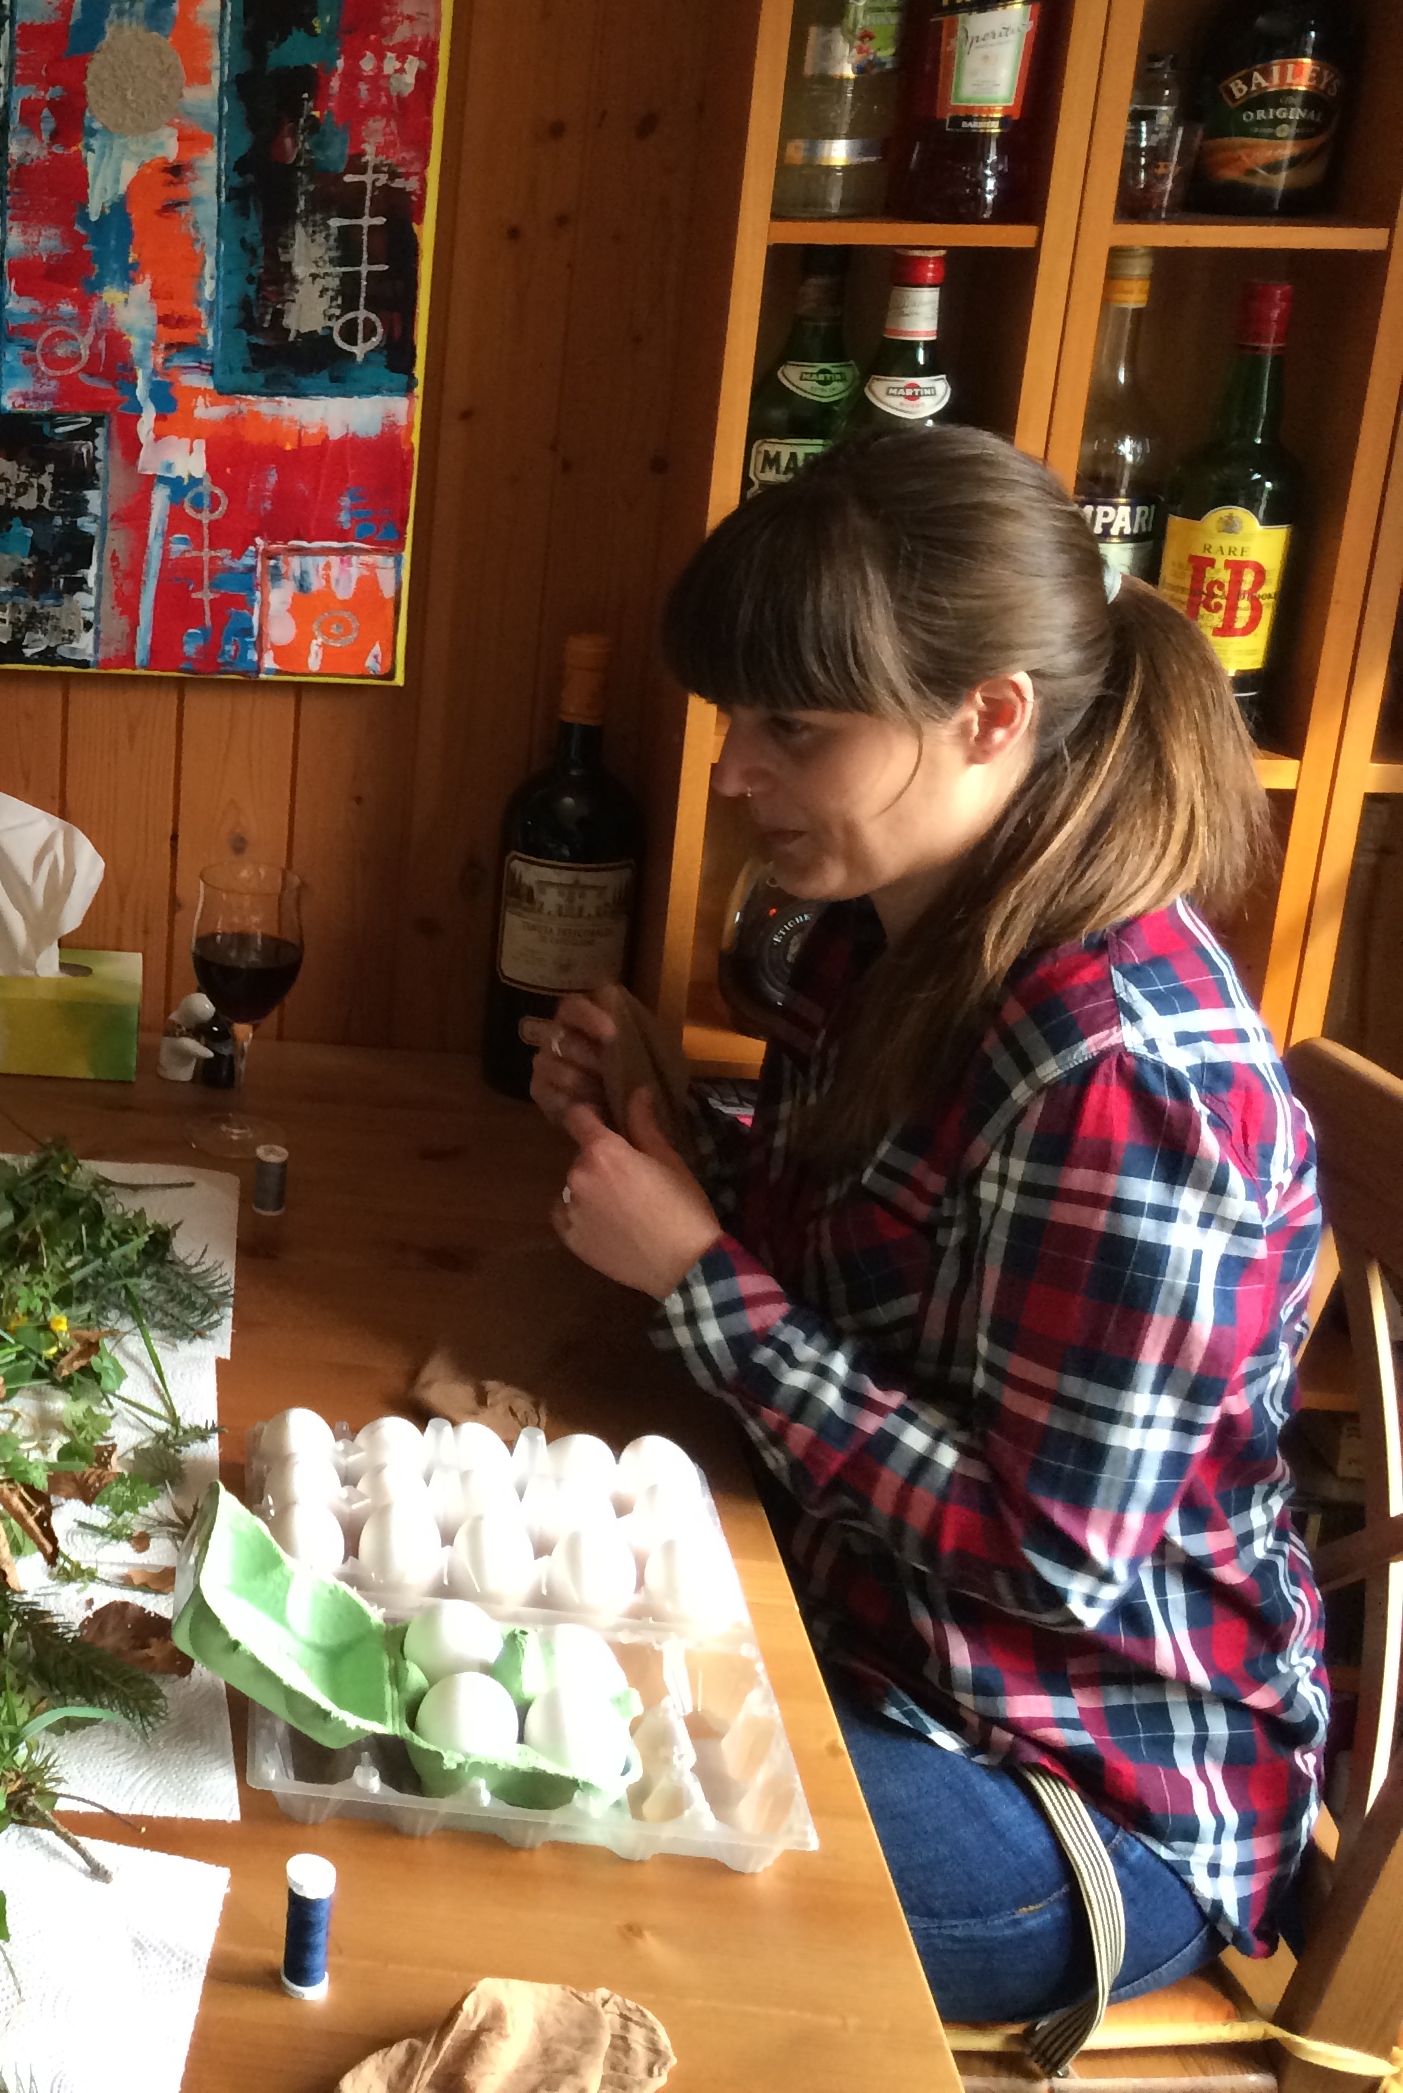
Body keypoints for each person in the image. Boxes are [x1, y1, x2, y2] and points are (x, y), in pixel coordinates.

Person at [528, 428, 1326, 2033]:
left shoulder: (1128, 1077)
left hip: (1075, 1792)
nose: (734, 771)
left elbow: (1049, 1560)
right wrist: (678, 1135)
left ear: (991, 716)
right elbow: (889, 1264)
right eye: (739, 716)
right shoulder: (891, 933)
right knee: (488, 1671)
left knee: (533, 1807)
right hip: (867, 1629)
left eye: (794, 728)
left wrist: (695, 1276)